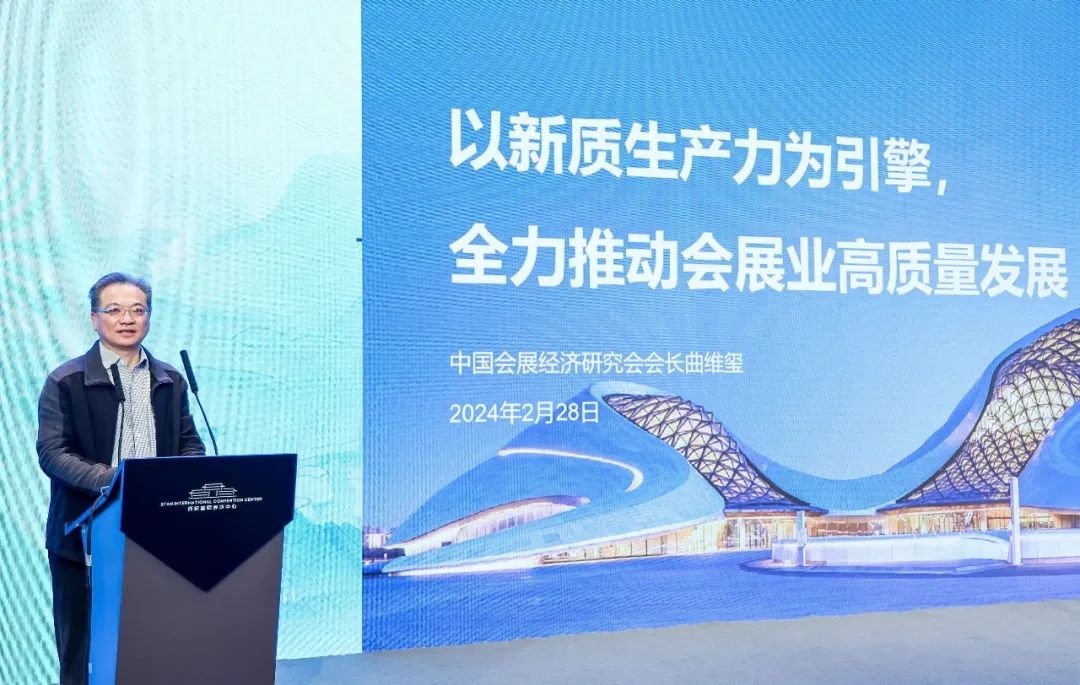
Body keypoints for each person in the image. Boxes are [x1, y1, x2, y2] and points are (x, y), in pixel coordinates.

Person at [37, 272, 205, 685]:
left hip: (159, 536)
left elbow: (190, 445)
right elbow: (53, 453)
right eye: (114, 310)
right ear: (95, 319)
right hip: (86, 538)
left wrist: (178, 480)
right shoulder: (66, 381)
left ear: (149, 317)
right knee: (83, 655)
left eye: (137, 310)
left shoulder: (170, 380)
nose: (126, 319)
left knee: (158, 649)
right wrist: (116, 480)